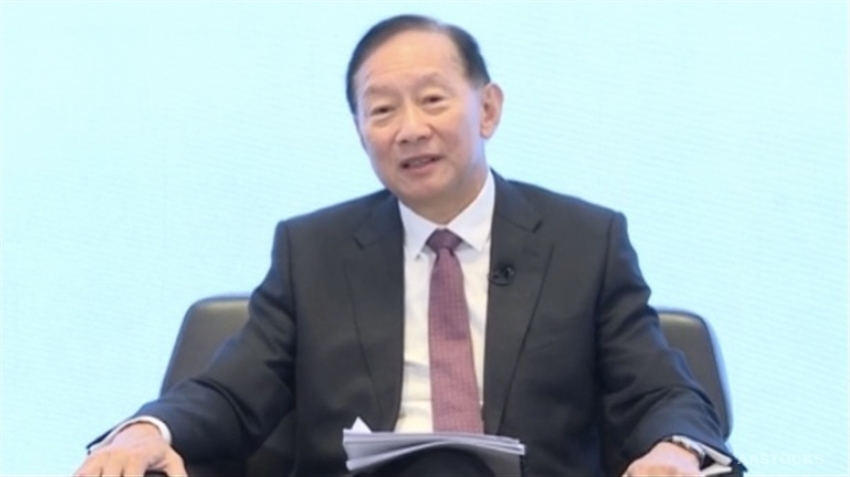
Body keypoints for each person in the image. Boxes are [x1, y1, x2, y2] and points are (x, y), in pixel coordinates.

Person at [74, 14, 744, 477]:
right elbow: (230, 391)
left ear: (487, 109)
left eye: (432, 99)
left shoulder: (585, 242)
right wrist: (143, 431)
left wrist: (674, 450)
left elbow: (660, 390)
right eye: (382, 109)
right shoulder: (313, 251)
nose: (410, 128)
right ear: (360, 131)